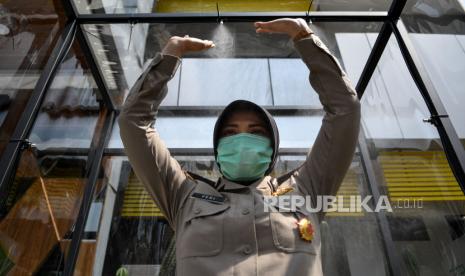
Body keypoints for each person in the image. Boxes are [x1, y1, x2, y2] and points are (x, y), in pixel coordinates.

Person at [118, 18, 361, 276]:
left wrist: (304, 37)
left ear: (272, 148)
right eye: (231, 133)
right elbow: (134, 122)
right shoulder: (182, 195)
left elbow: (345, 109)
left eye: (256, 132)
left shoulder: (306, 189)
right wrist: (169, 56)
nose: (242, 140)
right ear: (218, 148)